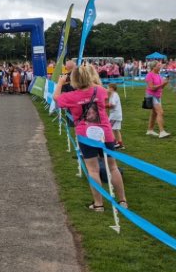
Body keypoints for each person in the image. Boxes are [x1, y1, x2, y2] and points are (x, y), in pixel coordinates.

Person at [54, 63, 128, 212]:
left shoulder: (71, 96)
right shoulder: (99, 90)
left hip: (86, 136)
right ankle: (122, 201)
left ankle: (98, 204)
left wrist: (61, 82)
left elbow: (56, 98)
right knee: (113, 167)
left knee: (93, 170)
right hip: (105, 134)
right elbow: (98, 87)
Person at [145, 60, 170, 137]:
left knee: (154, 114)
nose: (160, 66)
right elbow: (152, 88)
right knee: (160, 112)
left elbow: (161, 86)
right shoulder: (149, 75)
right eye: (158, 65)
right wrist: (162, 84)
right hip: (151, 96)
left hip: (158, 96)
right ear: (154, 67)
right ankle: (162, 132)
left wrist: (165, 83)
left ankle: (150, 130)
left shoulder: (158, 74)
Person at [106, 82, 124, 147]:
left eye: (107, 88)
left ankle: (113, 143)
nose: (106, 89)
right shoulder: (114, 95)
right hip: (117, 114)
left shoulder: (114, 95)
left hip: (114, 115)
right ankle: (120, 143)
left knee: (109, 128)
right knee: (116, 129)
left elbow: (113, 105)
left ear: (111, 89)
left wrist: (104, 106)